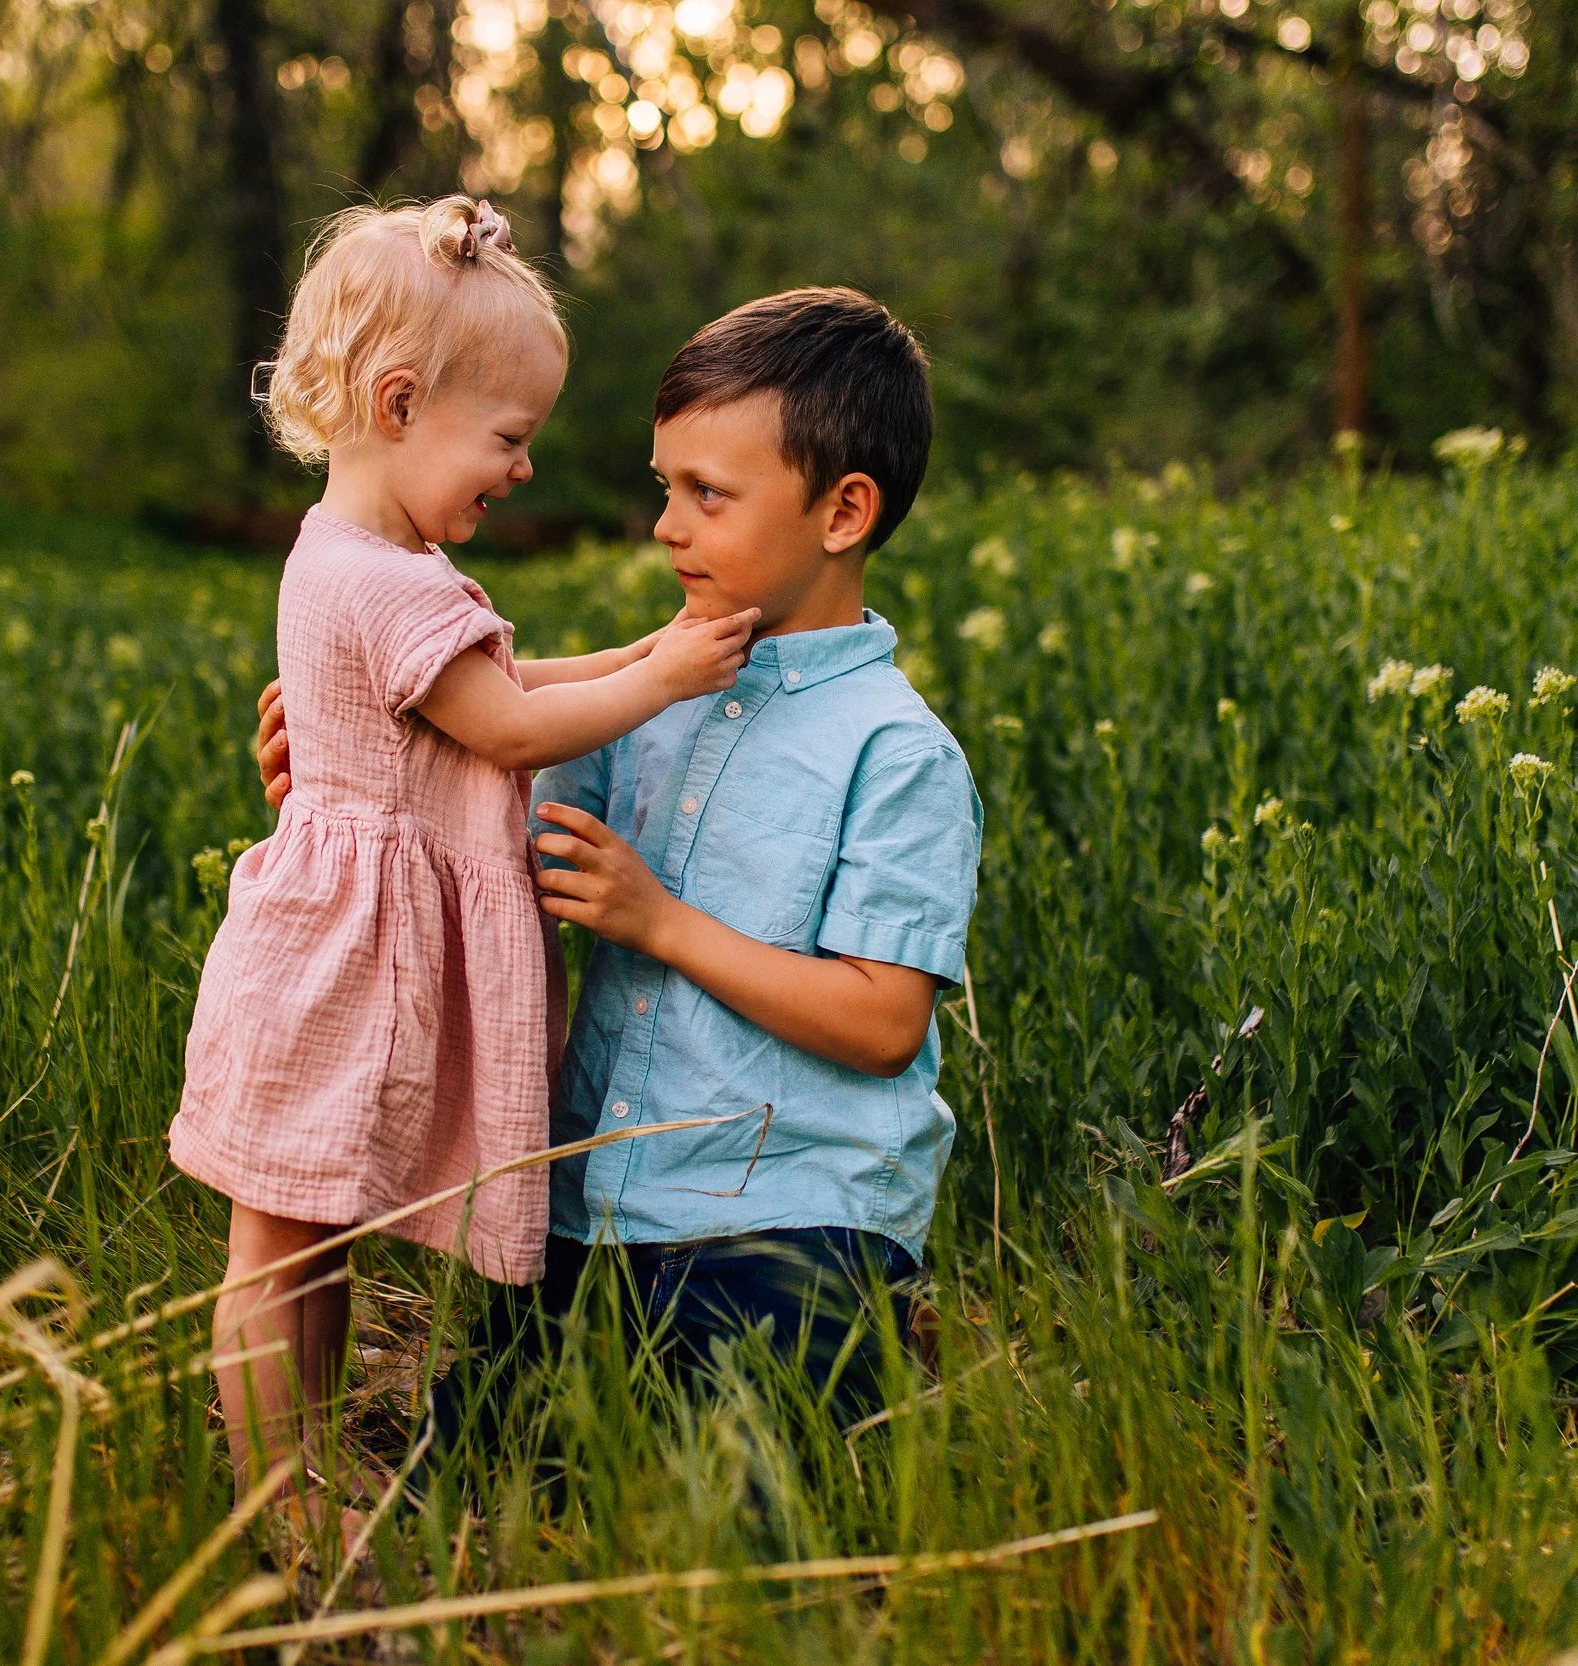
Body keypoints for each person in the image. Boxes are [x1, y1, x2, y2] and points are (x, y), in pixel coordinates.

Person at [255, 287, 982, 1469]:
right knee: (465, 1469)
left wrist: (659, 921)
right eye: (663, 487)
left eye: (708, 494)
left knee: (743, 1497)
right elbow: (488, 847)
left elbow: (884, 1020)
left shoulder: (895, 753)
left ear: (844, 511)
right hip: (598, 1218)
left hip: (793, 1222)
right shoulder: (639, 703)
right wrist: (362, 773)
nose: (666, 528)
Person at [171, 195, 759, 1525]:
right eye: (507, 439)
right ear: (397, 405)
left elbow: (492, 685)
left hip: (327, 941)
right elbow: (503, 724)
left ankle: (301, 1462)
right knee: (277, 1247)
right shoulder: (391, 582)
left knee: (300, 1238)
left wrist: (630, 658)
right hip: (340, 960)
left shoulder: (360, 553)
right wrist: (663, 674)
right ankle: (284, 1494)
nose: (523, 468)